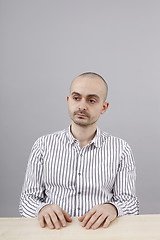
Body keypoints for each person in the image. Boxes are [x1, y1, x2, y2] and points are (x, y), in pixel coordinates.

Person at [19, 72, 139, 230]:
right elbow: (27, 200)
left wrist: (113, 208)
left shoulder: (121, 149)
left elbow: (130, 203)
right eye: (76, 98)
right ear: (68, 101)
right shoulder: (43, 145)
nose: (82, 105)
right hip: (54, 234)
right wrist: (41, 209)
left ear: (104, 107)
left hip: (101, 235)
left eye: (91, 100)